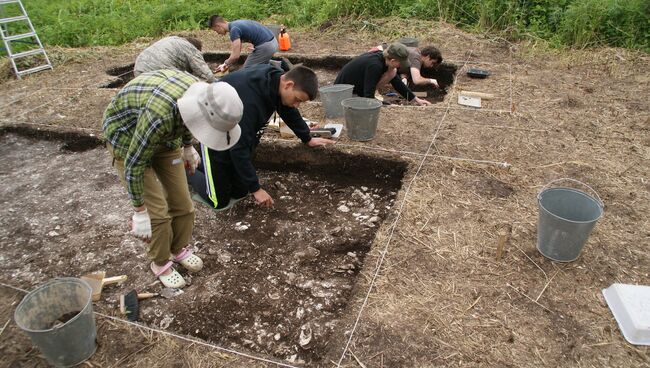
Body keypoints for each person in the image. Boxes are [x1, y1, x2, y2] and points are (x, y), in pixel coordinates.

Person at [103, 69, 243, 288]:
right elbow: (134, 163)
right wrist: (139, 210)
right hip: (128, 139)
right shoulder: (160, 115)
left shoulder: (200, 97)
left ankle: (178, 249)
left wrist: (187, 146)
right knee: (157, 215)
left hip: (166, 140)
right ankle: (159, 262)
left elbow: (189, 119)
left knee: (184, 204)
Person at [187, 64, 335, 211]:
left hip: (236, 132)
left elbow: (288, 110)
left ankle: (205, 167)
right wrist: (256, 189)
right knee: (219, 200)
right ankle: (186, 169)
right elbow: (239, 148)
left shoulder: (277, 81)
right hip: (214, 130)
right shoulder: (249, 103)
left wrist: (307, 137)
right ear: (288, 85)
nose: (297, 105)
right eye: (298, 99)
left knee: (240, 191)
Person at [334, 43, 431, 106]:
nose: (402, 66)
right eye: (401, 63)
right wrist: (384, 105)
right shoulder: (375, 66)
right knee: (392, 72)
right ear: (393, 60)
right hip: (344, 95)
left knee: (393, 72)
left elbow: (397, 82)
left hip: (357, 89)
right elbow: (368, 94)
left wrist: (415, 99)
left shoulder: (383, 59)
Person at [208, 15, 278, 73]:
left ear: (218, 26)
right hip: (273, 41)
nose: (217, 33)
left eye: (215, 30)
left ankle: (277, 69)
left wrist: (225, 64)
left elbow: (235, 56)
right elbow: (254, 30)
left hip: (266, 46)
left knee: (246, 71)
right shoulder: (236, 24)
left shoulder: (234, 30)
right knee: (258, 66)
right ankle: (276, 66)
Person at [134, 36, 216, 82]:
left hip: (138, 70)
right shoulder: (190, 48)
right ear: (196, 48)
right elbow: (207, 76)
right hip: (158, 70)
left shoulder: (172, 40)